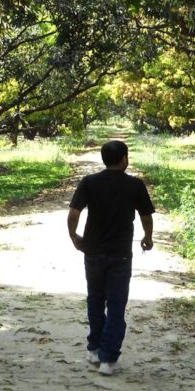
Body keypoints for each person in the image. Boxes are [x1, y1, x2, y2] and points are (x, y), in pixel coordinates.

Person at [67, 139, 154, 376]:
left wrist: (74, 237)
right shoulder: (135, 185)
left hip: (93, 252)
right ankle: (107, 359)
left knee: (95, 299)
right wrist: (148, 237)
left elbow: (74, 212)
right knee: (116, 305)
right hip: (121, 255)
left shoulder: (89, 182)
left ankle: (94, 348)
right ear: (124, 159)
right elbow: (146, 215)